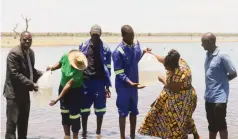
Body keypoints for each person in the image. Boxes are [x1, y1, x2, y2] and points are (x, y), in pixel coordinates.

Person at [138, 49, 200, 139]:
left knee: (178, 121)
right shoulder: (176, 60)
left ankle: (180, 136)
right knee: (183, 118)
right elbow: (163, 59)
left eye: (166, 67)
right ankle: (193, 135)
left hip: (183, 98)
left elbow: (173, 88)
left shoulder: (180, 73)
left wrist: (162, 79)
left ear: (173, 66)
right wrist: (151, 54)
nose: (165, 67)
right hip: (173, 95)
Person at [112, 25, 151, 139]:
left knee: (134, 112)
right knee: (123, 113)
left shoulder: (134, 47)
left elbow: (137, 59)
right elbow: (119, 72)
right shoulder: (118, 52)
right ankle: (122, 136)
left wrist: (144, 52)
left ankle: (133, 136)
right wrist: (129, 82)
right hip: (123, 87)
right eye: (130, 36)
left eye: (133, 35)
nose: (133, 38)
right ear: (123, 36)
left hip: (134, 87)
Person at [3, 31, 42, 139]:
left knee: (23, 124)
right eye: (25, 39)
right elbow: (15, 74)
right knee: (12, 126)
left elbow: (31, 71)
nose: (27, 41)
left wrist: (43, 75)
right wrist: (31, 84)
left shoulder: (31, 53)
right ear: (20, 39)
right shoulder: (14, 53)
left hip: (24, 94)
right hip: (13, 95)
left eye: (29, 39)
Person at [201, 32, 237, 139]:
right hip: (209, 97)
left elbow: (234, 73)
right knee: (211, 126)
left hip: (220, 97)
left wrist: (222, 83)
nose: (201, 45)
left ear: (210, 42)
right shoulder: (207, 55)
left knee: (221, 124)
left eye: (203, 42)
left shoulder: (222, 56)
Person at [78, 24, 112, 138]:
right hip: (86, 82)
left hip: (99, 82)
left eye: (97, 35)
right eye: (93, 35)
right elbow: (78, 64)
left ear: (100, 34)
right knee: (84, 110)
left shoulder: (106, 49)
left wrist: (107, 86)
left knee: (100, 109)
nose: (95, 37)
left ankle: (98, 133)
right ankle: (84, 132)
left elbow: (108, 69)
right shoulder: (83, 46)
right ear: (90, 34)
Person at [47, 50, 88, 139]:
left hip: (75, 91)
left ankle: (75, 137)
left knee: (75, 115)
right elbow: (60, 63)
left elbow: (68, 85)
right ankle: (67, 136)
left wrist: (57, 99)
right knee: (64, 112)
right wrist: (52, 68)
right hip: (62, 87)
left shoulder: (79, 72)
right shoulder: (66, 56)